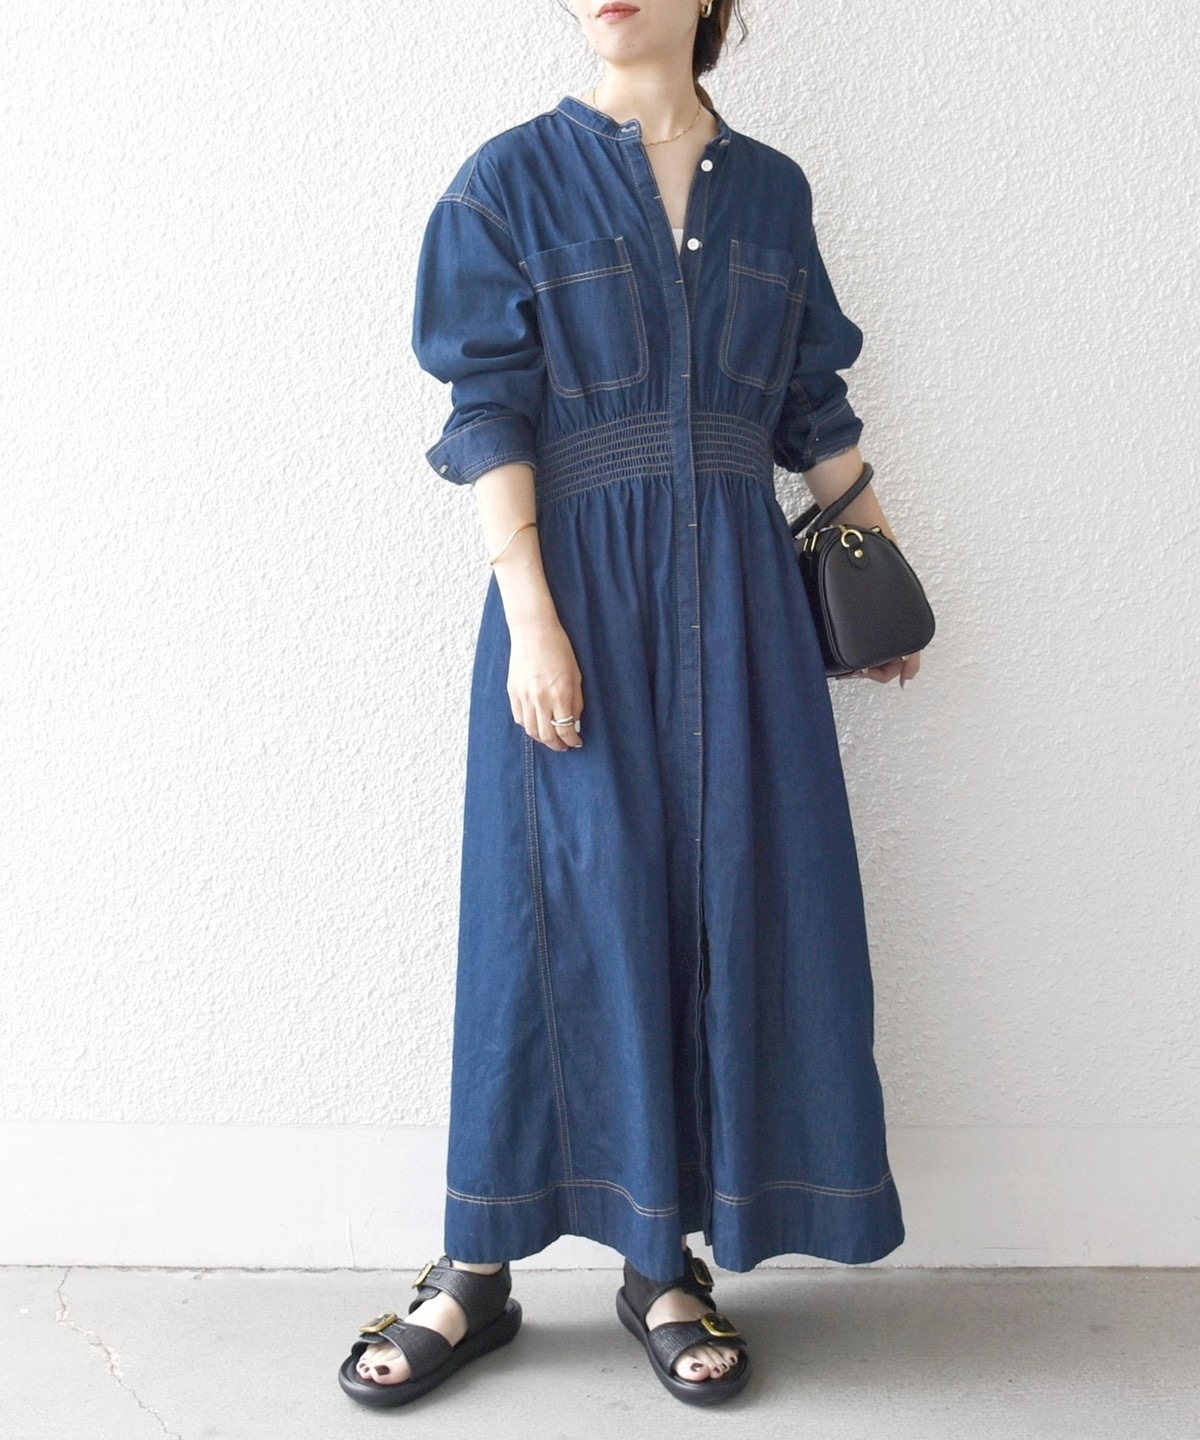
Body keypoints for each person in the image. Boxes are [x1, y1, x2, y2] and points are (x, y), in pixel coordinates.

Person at [338, 0, 915, 1411]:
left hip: (743, 605)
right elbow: (488, 408)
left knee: (724, 903)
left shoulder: (771, 192)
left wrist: (879, 571)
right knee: (547, 918)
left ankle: (665, 1265)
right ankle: (473, 1270)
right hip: (572, 600)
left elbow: (812, 404)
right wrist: (532, 618)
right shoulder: (508, 180)